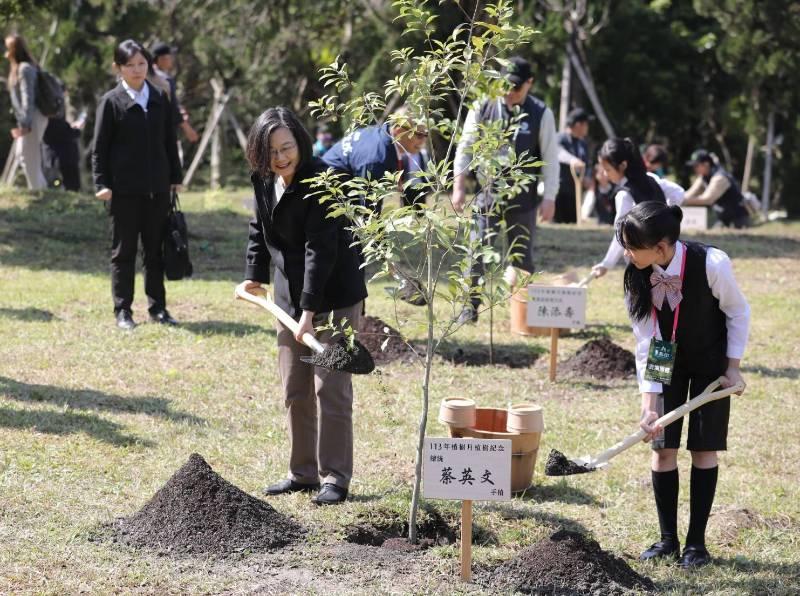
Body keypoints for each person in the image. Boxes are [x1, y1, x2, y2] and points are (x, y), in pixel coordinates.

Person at [237, 107, 367, 505]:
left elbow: (319, 250)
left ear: (300, 142)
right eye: (271, 151)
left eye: (287, 148)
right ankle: (303, 472)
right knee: (295, 387)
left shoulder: (322, 181)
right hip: (288, 299)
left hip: (335, 296)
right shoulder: (263, 179)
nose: (281, 158)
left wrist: (309, 314)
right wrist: (253, 275)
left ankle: (335, 478)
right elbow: (259, 228)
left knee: (330, 388)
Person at [616, 201, 749, 569]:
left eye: (631, 246)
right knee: (662, 448)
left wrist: (733, 368)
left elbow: (738, 312)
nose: (626, 253)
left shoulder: (712, 263)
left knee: (704, 450)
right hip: (664, 358)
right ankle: (667, 540)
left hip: (711, 362)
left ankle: (697, 544)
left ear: (661, 247)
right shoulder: (636, 275)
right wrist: (649, 404)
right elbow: (646, 340)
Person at [452, 55, 559, 323]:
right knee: (476, 250)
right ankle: (469, 307)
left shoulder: (541, 113)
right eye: (505, 85)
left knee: (522, 255)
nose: (510, 92)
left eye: (517, 87)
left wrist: (550, 197)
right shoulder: (482, 107)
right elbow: (465, 148)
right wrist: (459, 187)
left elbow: (551, 157)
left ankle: (523, 312)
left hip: (523, 197)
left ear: (529, 84)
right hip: (485, 194)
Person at [92, 39, 182, 330]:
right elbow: (100, 148)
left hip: (157, 188)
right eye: (129, 65)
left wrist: (175, 178)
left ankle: (158, 308)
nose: (136, 70)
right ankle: (123, 311)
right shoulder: (111, 101)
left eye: (141, 63)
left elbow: (170, 140)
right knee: (125, 252)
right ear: (118, 68)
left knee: (155, 251)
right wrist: (101, 183)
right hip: (124, 191)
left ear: (148, 64)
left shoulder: (159, 97)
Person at [591, 138, 684, 279]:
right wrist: (666, 217)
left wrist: (607, 263)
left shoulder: (624, 195)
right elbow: (678, 192)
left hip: (640, 259)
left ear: (622, 165)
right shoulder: (651, 178)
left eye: (608, 169)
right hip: (664, 253)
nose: (604, 174)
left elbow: (620, 234)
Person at [322, 105, 428, 216]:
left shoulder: (382, 136)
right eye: (419, 135)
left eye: (426, 134)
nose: (424, 140)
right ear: (398, 131)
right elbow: (369, 212)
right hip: (327, 183)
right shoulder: (378, 159)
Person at [5, 34, 48, 189]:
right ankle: (41, 190)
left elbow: (27, 99)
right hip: (30, 117)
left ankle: (38, 193)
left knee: (29, 158)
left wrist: (25, 125)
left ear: (13, 50)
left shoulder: (25, 69)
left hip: (33, 117)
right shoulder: (23, 67)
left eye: (7, 48)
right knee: (22, 155)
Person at [683, 150, 750, 229]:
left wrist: (682, 200)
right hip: (724, 218)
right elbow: (689, 194)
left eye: (696, 166)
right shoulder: (703, 177)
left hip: (738, 219)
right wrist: (674, 200)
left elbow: (707, 199)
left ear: (706, 164)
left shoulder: (720, 177)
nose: (694, 169)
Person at [151, 42, 199, 145]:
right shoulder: (163, 79)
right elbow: (171, 107)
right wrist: (188, 129)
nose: (172, 59)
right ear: (161, 59)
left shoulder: (145, 76)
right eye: (170, 56)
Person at [554, 107, 592, 224]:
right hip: (560, 191)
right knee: (559, 223)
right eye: (586, 124)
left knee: (573, 222)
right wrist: (573, 160)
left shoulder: (582, 143)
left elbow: (587, 163)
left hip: (575, 191)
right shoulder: (560, 138)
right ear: (578, 125)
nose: (587, 128)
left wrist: (587, 176)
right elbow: (558, 151)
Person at [581, 159, 616, 225]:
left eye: (605, 172)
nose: (604, 175)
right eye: (601, 172)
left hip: (614, 221)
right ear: (596, 175)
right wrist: (583, 216)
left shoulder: (615, 188)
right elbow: (588, 205)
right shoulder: (594, 191)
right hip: (601, 222)